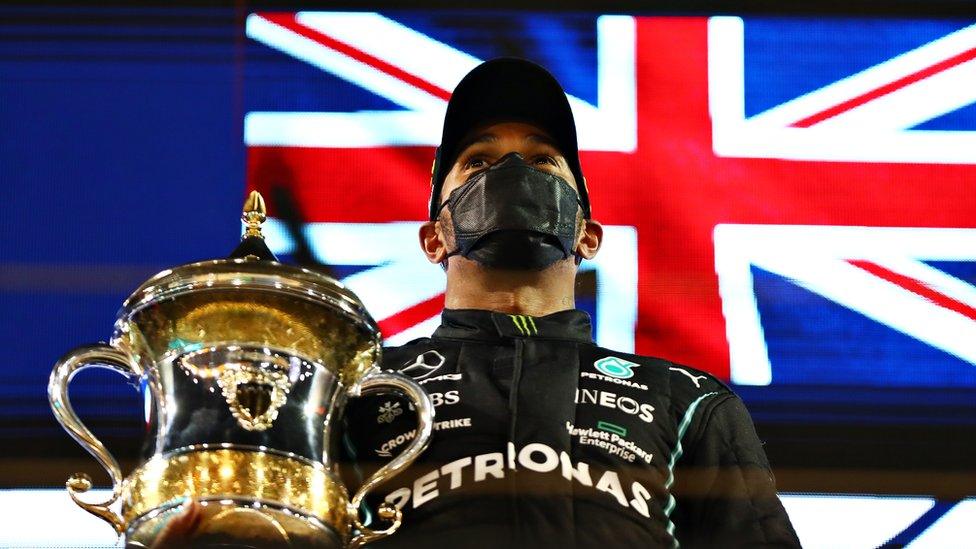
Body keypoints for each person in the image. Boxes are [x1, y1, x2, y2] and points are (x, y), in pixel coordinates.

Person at [155, 58, 800, 548]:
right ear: (433, 236)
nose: (511, 172)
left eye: (543, 161)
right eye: (480, 160)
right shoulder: (356, 393)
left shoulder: (687, 403)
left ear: (588, 235)